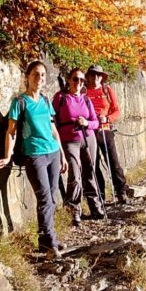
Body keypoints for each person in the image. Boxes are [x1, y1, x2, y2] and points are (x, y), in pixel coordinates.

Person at [0, 61, 68, 254]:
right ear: (27, 77)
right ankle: (50, 242)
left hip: (52, 152)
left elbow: (53, 129)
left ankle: (46, 240)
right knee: (44, 197)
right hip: (34, 155)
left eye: (43, 75)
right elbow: (11, 131)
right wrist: (7, 155)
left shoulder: (45, 101)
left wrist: (62, 155)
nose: (40, 78)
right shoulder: (19, 102)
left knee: (52, 198)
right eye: (36, 74)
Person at [53, 68, 105, 226]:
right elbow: (53, 120)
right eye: (76, 79)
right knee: (75, 175)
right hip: (69, 140)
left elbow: (96, 122)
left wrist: (87, 122)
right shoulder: (61, 98)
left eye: (82, 80)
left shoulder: (86, 99)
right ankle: (74, 210)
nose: (79, 83)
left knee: (90, 172)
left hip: (88, 138)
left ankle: (95, 206)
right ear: (69, 80)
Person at [85, 65, 128, 204]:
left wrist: (108, 119)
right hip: (90, 132)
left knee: (113, 162)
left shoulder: (107, 90)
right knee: (94, 165)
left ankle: (121, 191)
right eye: (92, 74)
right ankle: (100, 195)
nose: (95, 77)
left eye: (98, 75)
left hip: (105, 130)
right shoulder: (84, 91)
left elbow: (116, 111)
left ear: (102, 77)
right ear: (88, 76)